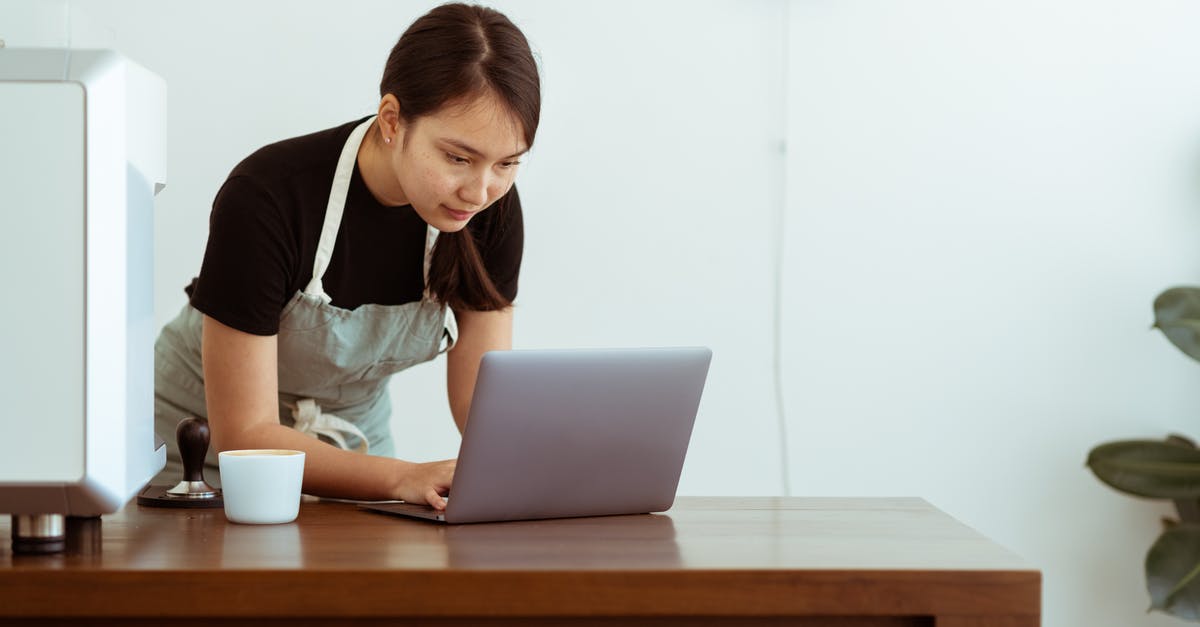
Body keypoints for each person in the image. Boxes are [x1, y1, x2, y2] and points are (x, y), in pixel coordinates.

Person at [153, 3, 539, 511]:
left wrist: (543, 466)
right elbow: (245, 432)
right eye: (458, 158)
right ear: (392, 121)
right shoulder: (267, 196)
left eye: (507, 163)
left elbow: (479, 403)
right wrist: (402, 478)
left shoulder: (490, 211)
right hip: (204, 446)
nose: (480, 190)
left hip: (357, 441)